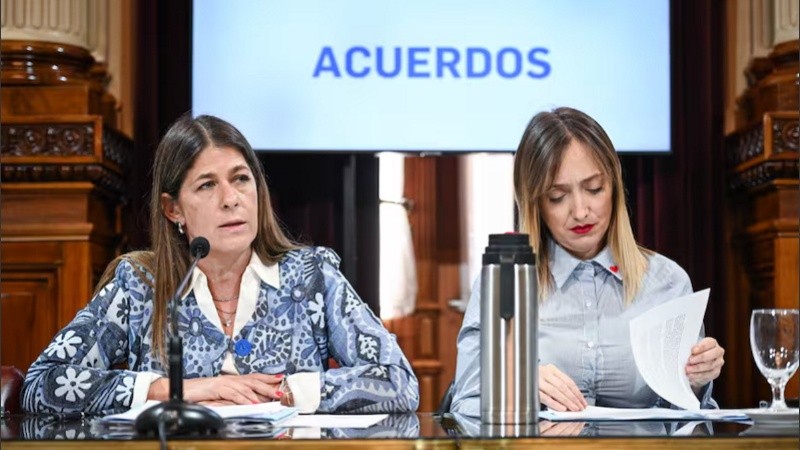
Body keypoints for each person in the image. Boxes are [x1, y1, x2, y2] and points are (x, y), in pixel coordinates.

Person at [21, 114, 420, 415]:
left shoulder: (312, 277)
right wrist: (172, 390)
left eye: (241, 179)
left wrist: (289, 392)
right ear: (173, 208)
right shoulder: (140, 285)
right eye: (207, 185)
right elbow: (42, 384)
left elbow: (399, 381)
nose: (231, 199)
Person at [451, 107, 725, 416]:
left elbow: (687, 419)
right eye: (557, 196)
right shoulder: (505, 282)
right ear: (535, 204)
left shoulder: (667, 282)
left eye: (594, 189)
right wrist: (518, 381)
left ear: (615, 188)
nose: (581, 211)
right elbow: (465, 405)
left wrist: (696, 382)